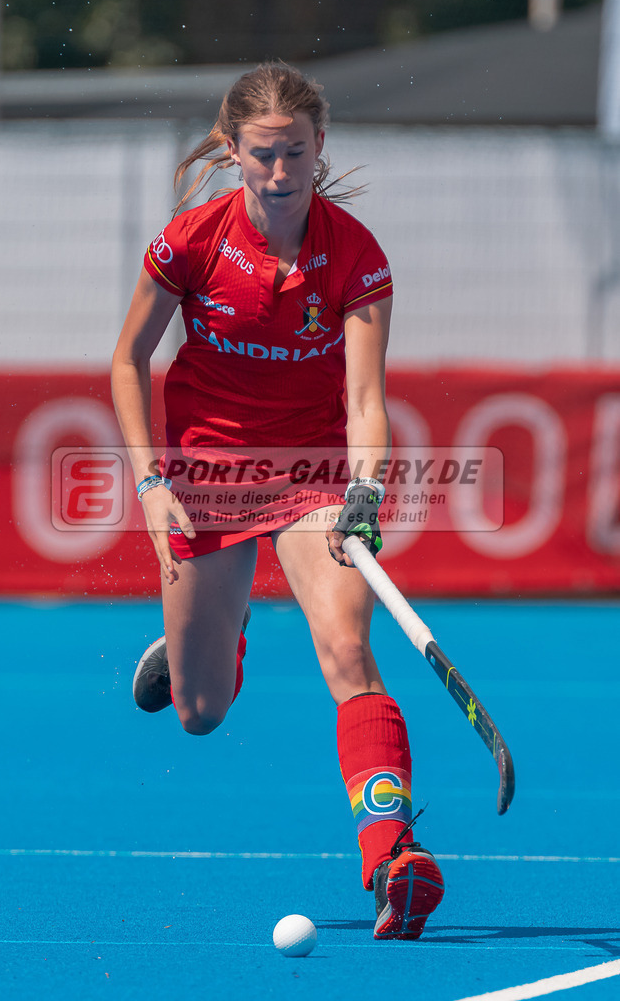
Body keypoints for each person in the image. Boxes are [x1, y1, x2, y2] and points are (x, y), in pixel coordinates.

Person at [111, 61, 444, 940]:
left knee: (345, 648)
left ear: (320, 146)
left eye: (296, 151)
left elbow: (367, 399)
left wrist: (366, 490)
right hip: (203, 471)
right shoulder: (189, 241)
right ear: (233, 152)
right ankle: (222, 641)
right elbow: (127, 360)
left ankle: (391, 857)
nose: (282, 171)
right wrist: (149, 484)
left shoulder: (355, 254)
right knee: (199, 713)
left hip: (311, 475)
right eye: (263, 154)